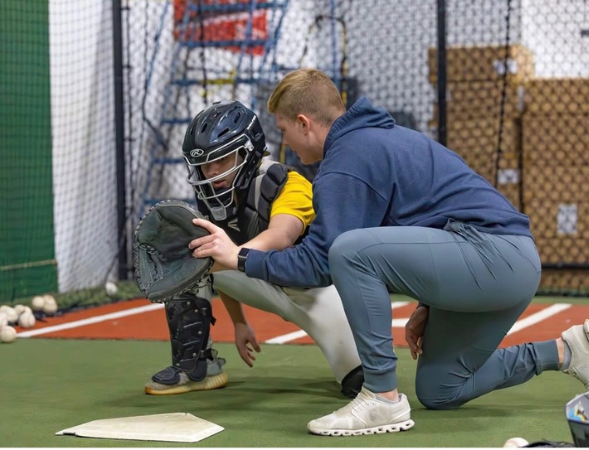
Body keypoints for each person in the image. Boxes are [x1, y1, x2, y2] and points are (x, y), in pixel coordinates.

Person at [190, 68, 589, 437]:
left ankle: (381, 397)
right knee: (441, 388)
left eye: (284, 131)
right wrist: (430, 302)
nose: (285, 144)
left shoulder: (346, 161)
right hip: (505, 263)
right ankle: (567, 350)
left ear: (304, 124)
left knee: (350, 251)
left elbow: (319, 263)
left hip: (494, 257)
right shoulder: (379, 139)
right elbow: (439, 216)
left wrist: (239, 258)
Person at [145, 99, 364, 399]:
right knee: (192, 253)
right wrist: (239, 321)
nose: (210, 173)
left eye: (221, 160)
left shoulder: (286, 182)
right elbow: (222, 259)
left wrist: (231, 255)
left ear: (247, 152)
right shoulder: (213, 193)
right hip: (263, 281)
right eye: (203, 165)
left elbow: (281, 236)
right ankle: (196, 365)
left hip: (315, 291)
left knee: (360, 382)